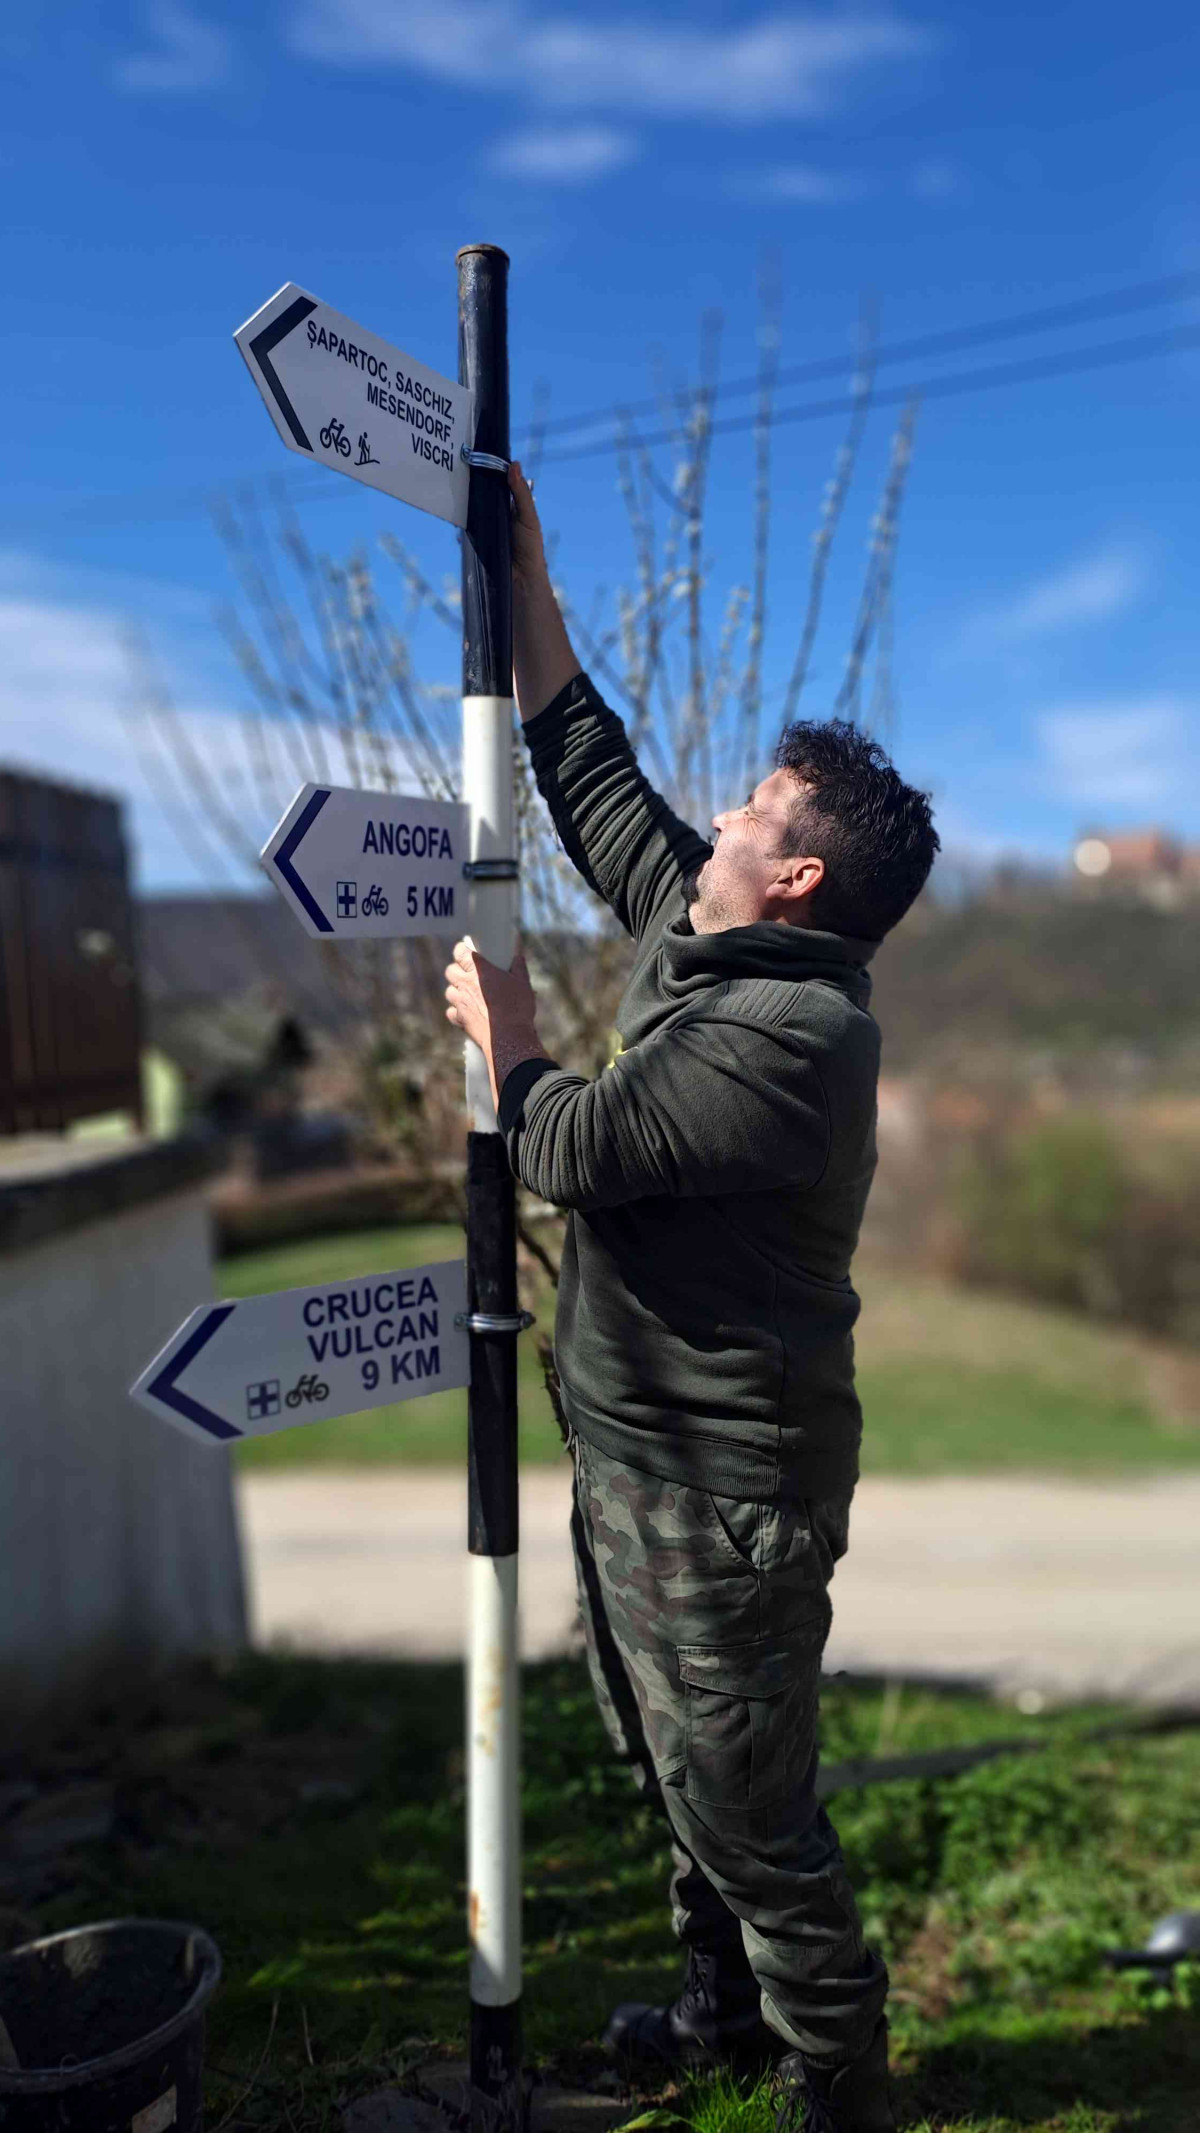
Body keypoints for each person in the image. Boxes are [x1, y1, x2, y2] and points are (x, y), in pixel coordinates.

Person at [445, 462, 939, 2133]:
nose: (721, 815)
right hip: (640, 1457)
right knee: (676, 1769)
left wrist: (509, 1036)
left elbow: (577, 1143)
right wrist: (526, 580)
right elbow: (593, 779)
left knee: (744, 1802)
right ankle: (720, 2024)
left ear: (794, 879)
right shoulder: (719, 940)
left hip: (727, 1493)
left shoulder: (798, 1041)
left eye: (754, 810)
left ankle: (837, 2083)